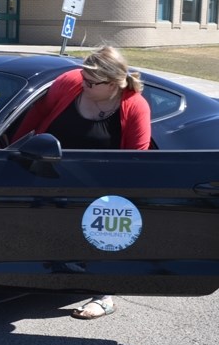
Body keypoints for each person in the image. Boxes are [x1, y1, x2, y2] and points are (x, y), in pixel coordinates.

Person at [12, 45, 151, 320]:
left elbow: (137, 158)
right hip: (50, 172)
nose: (82, 82)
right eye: (83, 77)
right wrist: (14, 149)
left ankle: (104, 294)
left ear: (113, 83)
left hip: (100, 185)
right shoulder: (71, 83)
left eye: (91, 82)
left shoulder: (134, 105)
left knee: (105, 228)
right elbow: (37, 116)